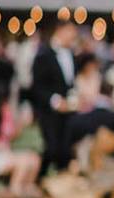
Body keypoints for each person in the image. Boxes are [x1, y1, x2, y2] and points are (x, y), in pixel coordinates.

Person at [0, 58, 41, 195]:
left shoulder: (4, 110)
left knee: (34, 159)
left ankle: (26, 195)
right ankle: (14, 193)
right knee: (23, 163)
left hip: (3, 153)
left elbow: (10, 135)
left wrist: (22, 124)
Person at [29, 19, 78, 178]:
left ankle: (62, 183)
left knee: (65, 149)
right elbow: (37, 87)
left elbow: (70, 83)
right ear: (60, 30)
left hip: (68, 112)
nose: (73, 36)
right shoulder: (44, 54)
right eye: (70, 31)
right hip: (49, 112)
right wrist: (56, 101)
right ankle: (39, 177)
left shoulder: (70, 54)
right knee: (51, 148)